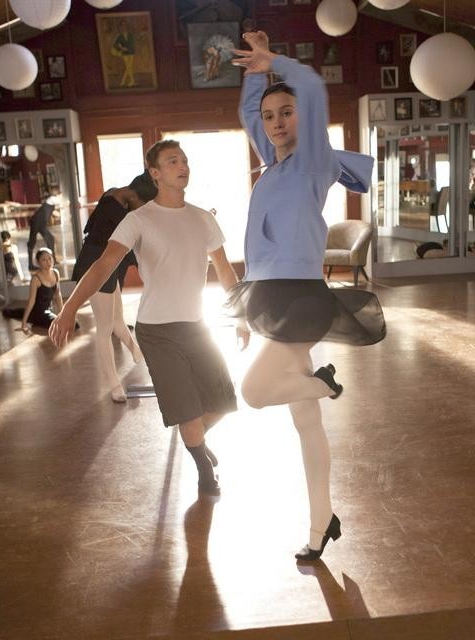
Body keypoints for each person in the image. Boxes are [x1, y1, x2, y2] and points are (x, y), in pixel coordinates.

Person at [229, 31, 385, 561]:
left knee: (254, 391)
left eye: (286, 112)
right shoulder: (270, 167)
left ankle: (325, 386)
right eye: (270, 116)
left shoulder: (314, 160)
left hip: (302, 299)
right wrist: (256, 69)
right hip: (270, 299)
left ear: (304, 120)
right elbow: (250, 106)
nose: (275, 121)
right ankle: (322, 523)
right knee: (304, 421)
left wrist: (279, 61)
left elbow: (313, 89)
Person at [49, 140, 249, 496]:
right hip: (157, 330)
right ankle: (204, 468)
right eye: (173, 161)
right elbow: (102, 266)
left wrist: (241, 316)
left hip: (196, 325)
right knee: (187, 410)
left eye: (185, 160)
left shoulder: (203, 218)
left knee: (222, 400)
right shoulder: (137, 220)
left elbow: (225, 271)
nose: (182, 165)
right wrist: (68, 308)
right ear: (155, 173)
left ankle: (197, 443)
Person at [72, 171, 157, 403]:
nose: (140, 208)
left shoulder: (116, 195)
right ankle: (114, 385)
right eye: (142, 202)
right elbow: (137, 236)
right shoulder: (117, 209)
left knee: (117, 320)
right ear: (134, 194)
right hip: (94, 265)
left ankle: (136, 351)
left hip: (106, 264)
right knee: (105, 328)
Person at [1, 248, 76, 333]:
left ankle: (8, 312)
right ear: (38, 262)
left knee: (75, 324)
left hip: (48, 310)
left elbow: (57, 295)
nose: (48, 262)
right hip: (39, 314)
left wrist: (63, 314)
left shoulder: (56, 273)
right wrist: (24, 323)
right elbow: (31, 301)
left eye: (50, 258)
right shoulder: (36, 279)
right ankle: (9, 313)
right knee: (62, 325)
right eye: (44, 260)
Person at [27, 188, 60, 271]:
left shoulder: (50, 201)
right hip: (37, 222)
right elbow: (60, 202)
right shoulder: (52, 199)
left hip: (41, 223)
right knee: (32, 243)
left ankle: (53, 260)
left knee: (50, 239)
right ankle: (30, 265)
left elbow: (51, 210)